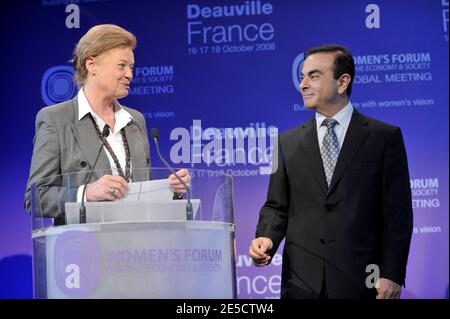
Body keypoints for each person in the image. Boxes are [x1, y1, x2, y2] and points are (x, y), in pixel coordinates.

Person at [249, 44, 413, 299]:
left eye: (313, 76)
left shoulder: (384, 138)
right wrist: (266, 238)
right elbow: (276, 206)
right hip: (301, 284)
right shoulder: (286, 143)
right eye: (302, 77)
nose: (303, 84)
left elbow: (397, 215)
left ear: (342, 82)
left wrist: (391, 273)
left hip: (362, 282)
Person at [24, 24, 189, 225]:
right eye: (121, 66)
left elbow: (141, 192)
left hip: (139, 246)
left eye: (131, 67)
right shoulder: (56, 119)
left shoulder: (134, 120)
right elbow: (35, 199)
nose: (130, 74)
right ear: (91, 64)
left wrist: (169, 190)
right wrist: (86, 193)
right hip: (86, 247)